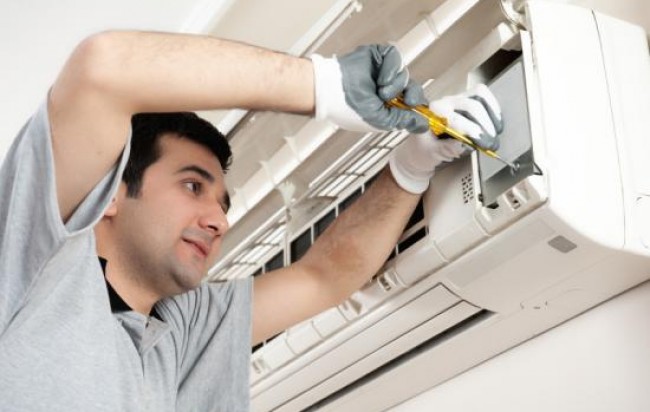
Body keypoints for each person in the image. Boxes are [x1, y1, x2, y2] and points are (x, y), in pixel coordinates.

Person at [0, 31, 502, 411]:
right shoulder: (41, 269)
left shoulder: (180, 329)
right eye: (192, 186)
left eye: (223, 205)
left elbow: (324, 276)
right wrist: (322, 85)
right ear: (111, 194)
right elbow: (102, 68)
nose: (218, 221)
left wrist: (412, 168)